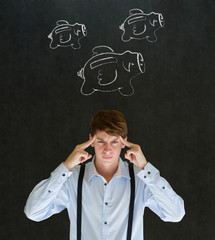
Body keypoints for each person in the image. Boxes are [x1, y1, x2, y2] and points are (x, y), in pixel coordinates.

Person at [24, 110, 185, 240]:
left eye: (114, 141)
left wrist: (145, 167)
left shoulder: (141, 179)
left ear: (124, 142)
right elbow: (33, 212)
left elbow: (175, 214)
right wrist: (66, 166)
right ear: (91, 141)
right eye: (101, 141)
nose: (107, 149)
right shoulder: (72, 178)